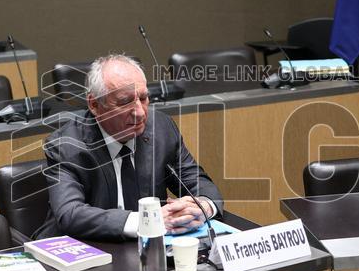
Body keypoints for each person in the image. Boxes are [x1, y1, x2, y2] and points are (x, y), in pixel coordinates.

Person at [34, 54, 222, 241]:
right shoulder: (66, 146)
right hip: (81, 252)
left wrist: (202, 206)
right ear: (94, 104)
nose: (140, 113)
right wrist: (146, 221)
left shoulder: (161, 128)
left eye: (143, 98)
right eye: (125, 102)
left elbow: (198, 182)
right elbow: (71, 214)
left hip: (147, 253)